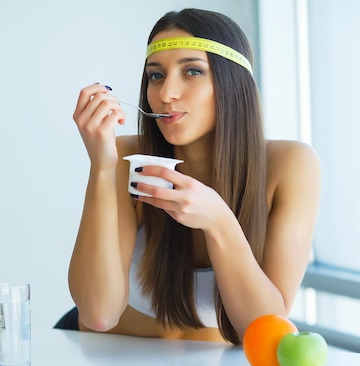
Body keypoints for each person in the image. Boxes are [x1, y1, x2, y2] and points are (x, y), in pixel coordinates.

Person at [56, 8, 320, 345]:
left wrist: (219, 221)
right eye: (156, 76)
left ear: (232, 83)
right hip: (99, 364)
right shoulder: (124, 159)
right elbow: (98, 314)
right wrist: (102, 167)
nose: (166, 94)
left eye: (192, 71)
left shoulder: (292, 165)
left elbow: (264, 329)